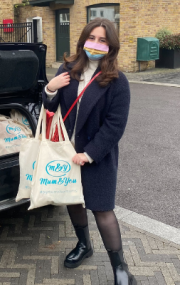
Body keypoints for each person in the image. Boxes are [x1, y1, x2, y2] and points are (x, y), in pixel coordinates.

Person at [43, 18, 136, 285]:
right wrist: (50, 89)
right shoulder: (68, 70)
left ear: (111, 46)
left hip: (97, 157)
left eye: (103, 40)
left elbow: (115, 125)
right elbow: (50, 110)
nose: (95, 44)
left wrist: (90, 153)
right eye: (92, 38)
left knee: (102, 210)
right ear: (83, 40)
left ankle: (121, 269)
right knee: (73, 201)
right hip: (66, 152)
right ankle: (84, 245)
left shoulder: (118, 82)